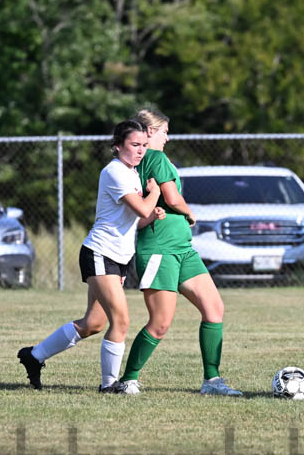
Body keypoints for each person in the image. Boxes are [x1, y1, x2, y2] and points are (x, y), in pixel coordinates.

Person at [17, 119, 162, 392]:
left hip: (118, 257)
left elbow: (136, 219)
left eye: (144, 145)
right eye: (134, 144)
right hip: (100, 252)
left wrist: (151, 214)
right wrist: (154, 194)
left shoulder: (132, 174)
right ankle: (109, 385)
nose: (141, 150)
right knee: (121, 320)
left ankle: (33, 356)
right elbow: (141, 208)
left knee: (94, 323)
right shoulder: (115, 171)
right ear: (118, 146)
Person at [118, 108, 242, 396]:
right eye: (163, 131)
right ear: (149, 133)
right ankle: (128, 379)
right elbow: (172, 197)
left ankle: (212, 381)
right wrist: (190, 212)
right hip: (159, 248)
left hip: (182, 249)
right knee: (160, 323)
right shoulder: (156, 157)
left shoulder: (148, 160)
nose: (168, 137)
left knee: (214, 308)